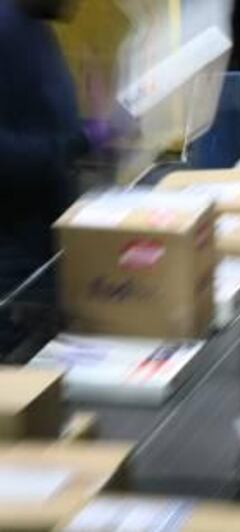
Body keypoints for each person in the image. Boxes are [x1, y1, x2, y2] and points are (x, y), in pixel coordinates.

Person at [0, 0, 116, 356]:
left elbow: (40, 122)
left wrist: (92, 133)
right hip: (13, 272)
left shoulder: (32, 25)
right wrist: (82, 140)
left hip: (44, 255)